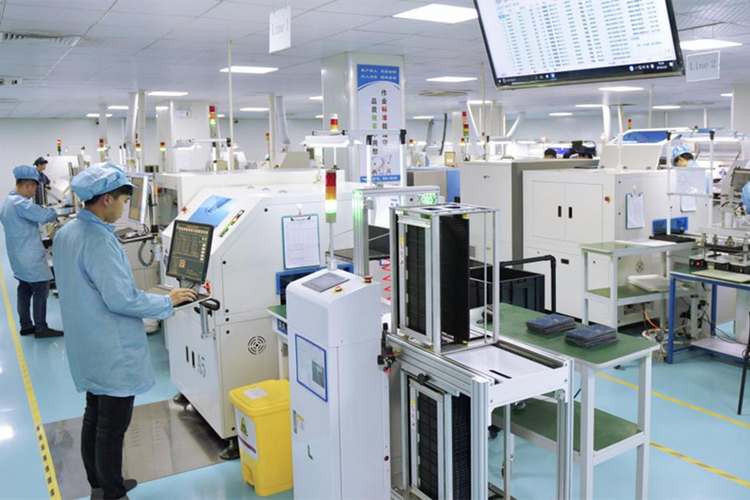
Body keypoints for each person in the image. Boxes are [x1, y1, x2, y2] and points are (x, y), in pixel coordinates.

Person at [53, 163, 197, 500]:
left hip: (87, 343)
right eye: (123, 200)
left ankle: (99, 484)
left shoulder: (67, 232)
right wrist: (167, 301)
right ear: (106, 199)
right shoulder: (98, 241)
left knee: (94, 415)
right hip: (111, 349)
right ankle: (113, 493)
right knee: (112, 427)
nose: (123, 208)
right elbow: (122, 299)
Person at [0, 165, 62, 338]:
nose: (35, 192)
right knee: (40, 290)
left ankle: (26, 326)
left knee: (24, 289)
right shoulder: (21, 203)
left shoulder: (7, 201)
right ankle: (41, 328)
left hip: (18, 255)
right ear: (28, 185)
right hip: (29, 255)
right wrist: (55, 209)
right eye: (35, 188)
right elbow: (44, 217)